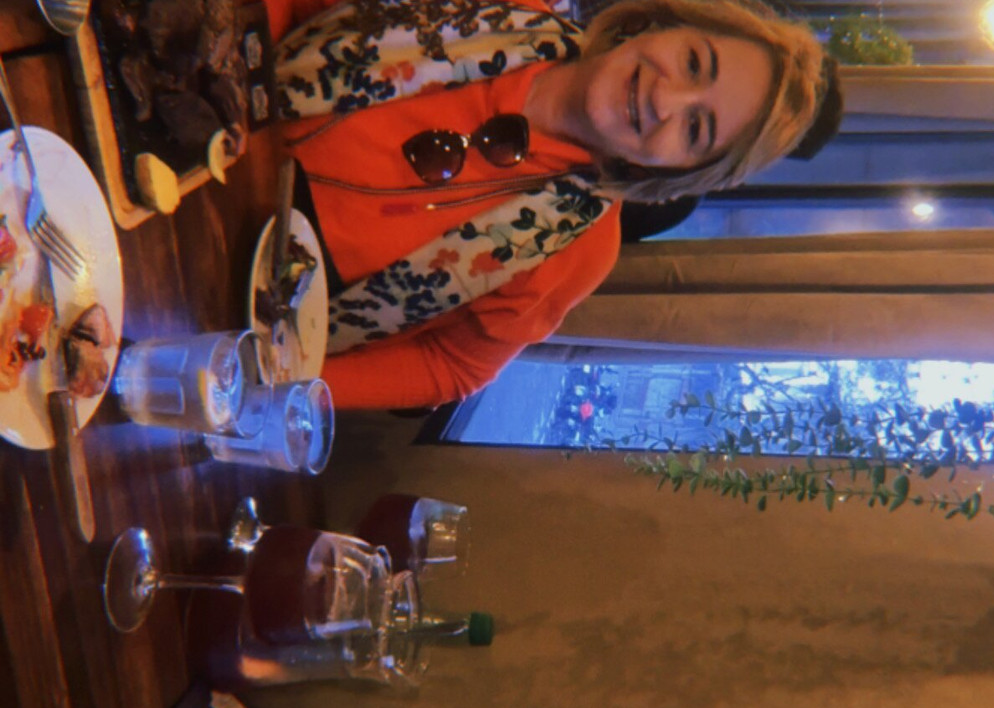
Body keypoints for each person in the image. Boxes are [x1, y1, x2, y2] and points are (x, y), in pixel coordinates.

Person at [266, 0, 842, 410]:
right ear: (659, 24)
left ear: (678, 173)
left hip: (245, 300)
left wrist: (280, 381)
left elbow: (453, 366)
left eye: (696, 129)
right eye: (694, 62)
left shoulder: (579, 253)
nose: (665, 99)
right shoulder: (502, 7)